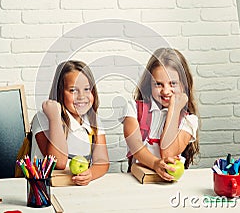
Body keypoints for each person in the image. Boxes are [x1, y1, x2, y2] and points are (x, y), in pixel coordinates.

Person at [121, 48, 199, 181]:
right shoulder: (133, 109)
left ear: (184, 85)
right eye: (158, 84)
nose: (166, 91)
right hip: (139, 181)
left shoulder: (189, 120)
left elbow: (167, 152)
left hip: (171, 183)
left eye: (173, 83)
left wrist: (174, 110)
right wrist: (155, 164)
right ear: (149, 84)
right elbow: (135, 146)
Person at [31, 60, 109, 185]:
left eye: (87, 89)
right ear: (60, 92)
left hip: (77, 191)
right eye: (73, 90)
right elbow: (59, 162)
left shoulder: (93, 120)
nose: (81, 96)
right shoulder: (43, 118)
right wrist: (55, 118)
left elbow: (102, 161)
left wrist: (91, 174)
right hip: (47, 190)